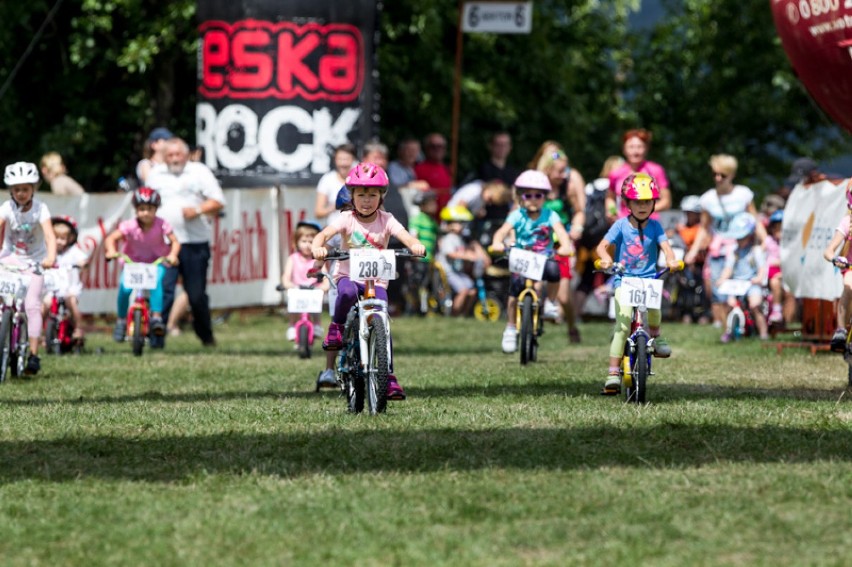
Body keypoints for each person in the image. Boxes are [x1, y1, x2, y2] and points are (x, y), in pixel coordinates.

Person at [311, 163, 426, 401]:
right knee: (344, 294)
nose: (366, 200)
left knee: (382, 319)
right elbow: (323, 235)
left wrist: (413, 245)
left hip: (377, 282)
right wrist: (317, 246)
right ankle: (337, 328)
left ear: (381, 196)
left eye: (372, 194)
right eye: (361, 194)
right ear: (352, 196)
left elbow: (404, 235)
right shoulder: (346, 219)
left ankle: (389, 376)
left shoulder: (387, 219)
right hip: (349, 276)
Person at [595, 173, 679, 395]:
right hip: (625, 280)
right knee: (622, 327)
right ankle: (613, 373)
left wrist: (670, 259)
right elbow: (602, 246)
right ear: (628, 203)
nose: (642, 206)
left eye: (647, 201)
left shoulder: (656, 226)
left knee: (654, 313)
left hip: (648, 280)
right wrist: (605, 258)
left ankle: (657, 337)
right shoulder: (621, 225)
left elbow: (666, 246)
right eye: (637, 201)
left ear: (653, 203)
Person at [147, 137, 226, 347]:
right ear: (164, 156)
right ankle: (156, 339)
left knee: (196, 295)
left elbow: (219, 202)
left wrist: (198, 210)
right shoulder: (155, 175)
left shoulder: (199, 171)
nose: (174, 158)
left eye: (178, 154)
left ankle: (206, 336)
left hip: (194, 242)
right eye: (170, 155)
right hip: (164, 244)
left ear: (186, 154)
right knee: (163, 291)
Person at [491, 170, 572, 354]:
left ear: (545, 197)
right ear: (521, 197)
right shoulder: (517, 215)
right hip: (521, 257)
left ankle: (551, 302)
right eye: (528, 195)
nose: (533, 199)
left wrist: (565, 246)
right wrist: (497, 242)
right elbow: (502, 231)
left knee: (554, 271)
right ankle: (511, 328)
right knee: (515, 291)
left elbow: (561, 233)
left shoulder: (550, 215)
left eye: (538, 195)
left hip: (543, 257)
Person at [684, 154, 765, 328]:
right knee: (717, 288)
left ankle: (745, 325)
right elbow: (704, 227)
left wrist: (765, 241)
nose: (718, 178)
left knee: (743, 287)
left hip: (741, 247)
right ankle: (723, 325)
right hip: (718, 249)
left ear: (732, 175)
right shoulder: (708, 198)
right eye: (715, 174)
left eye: (723, 175)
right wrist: (693, 251)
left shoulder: (743, 194)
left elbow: (755, 219)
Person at [0, 162, 57, 375]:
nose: (21, 193)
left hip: (36, 261)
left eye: (25, 188)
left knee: (32, 305)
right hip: (9, 258)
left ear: (34, 188)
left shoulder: (41, 209)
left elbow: (50, 236)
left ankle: (33, 354)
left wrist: (50, 257)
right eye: (16, 189)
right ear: (10, 191)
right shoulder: (6, 208)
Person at [104, 187, 181, 341]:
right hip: (133, 263)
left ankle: (157, 318)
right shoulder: (129, 225)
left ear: (156, 209)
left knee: (156, 283)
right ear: (136, 210)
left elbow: (175, 242)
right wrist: (111, 251)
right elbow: (111, 238)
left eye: (150, 209)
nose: (146, 213)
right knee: (124, 288)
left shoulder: (162, 224)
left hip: (156, 262)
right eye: (142, 209)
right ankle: (121, 320)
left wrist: (172, 255)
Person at [536, 144, 585, 343]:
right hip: (538, 243)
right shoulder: (535, 189)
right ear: (547, 170)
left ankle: (572, 326)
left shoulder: (567, 187)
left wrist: (577, 228)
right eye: (559, 171)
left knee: (564, 297)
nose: (564, 175)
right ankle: (529, 326)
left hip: (561, 243)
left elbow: (579, 211)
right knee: (535, 287)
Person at [573, 156, 622, 322]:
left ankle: (574, 315)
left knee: (586, 279)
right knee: (617, 275)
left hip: (591, 240)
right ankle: (617, 316)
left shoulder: (592, 185)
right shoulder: (619, 186)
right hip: (612, 238)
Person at [715, 212, 769, 342]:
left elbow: (762, 268)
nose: (739, 240)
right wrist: (722, 278)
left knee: (755, 304)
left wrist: (759, 278)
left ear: (750, 236)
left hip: (751, 283)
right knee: (729, 304)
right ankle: (728, 331)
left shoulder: (755, 251)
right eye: (737, 238)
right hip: (737, 284)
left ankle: (763, 332)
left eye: (742, 238)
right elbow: (728, 268)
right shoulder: (735, 251)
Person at [606, 128, 672, 220]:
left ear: (646, 148)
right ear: (624, 149)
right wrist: (612, 211)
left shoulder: (656, 170)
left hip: (649, 226)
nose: (635, 151)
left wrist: (643, 211)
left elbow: (666, 201)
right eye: (631, 147)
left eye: (639, 147)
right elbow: (610, 198)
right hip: (624, 226)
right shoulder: (616, 173)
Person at [436, 205, 490, 316]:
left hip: (457, 272)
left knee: (472, 291)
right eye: (459, 223)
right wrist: (467, 256)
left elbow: (465, 250)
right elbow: (450, 253)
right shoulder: (449, 238)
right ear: (450, 224)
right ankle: (454, 314)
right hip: (448, 272)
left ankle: (463, 314)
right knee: (463, 290)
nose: (462, 226)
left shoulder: (459, 239)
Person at [43, 216, 88, 343]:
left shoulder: (73, 252)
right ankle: (39, 332)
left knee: (71, 302)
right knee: (45, 305)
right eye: (56, 238)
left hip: (69, 288)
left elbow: (83, 260)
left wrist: (82, 263)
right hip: (53, 289)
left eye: (62, 238)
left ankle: (78, 328)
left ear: (70, 239)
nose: (58, 242)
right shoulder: (48, 252)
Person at [823, 184, 852, 351]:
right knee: (849, 285)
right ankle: (841, 329)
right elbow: (828, 250)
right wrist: (834, 259)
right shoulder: (847, 222)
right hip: (850, 267)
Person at [672, 195, 708, 324]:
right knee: (685, 289)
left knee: (701, 289)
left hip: (700, 264)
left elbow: (704, 244)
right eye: (687, 213)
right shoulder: (680, 228)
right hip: (685, 264)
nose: (688, 216)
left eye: (691, 213)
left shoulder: (702, 228)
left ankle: (703, 314)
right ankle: (686, 313)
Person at [314, 143, 357, 228]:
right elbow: (318, 212)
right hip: (334, 232)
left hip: (357, 231)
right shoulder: (327, 179)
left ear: (353, 159)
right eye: (340, 159)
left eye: (347, 159)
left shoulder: (360, 179)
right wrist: (336, 205)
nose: (343, 163)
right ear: (335, 160)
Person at [414, 133, 454, 213]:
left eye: (440, 146)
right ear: (426, 148)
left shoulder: (447, 169)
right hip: (427, 216)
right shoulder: (418, 168)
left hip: (445, 214)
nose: (437, 149)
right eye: (433, 146)